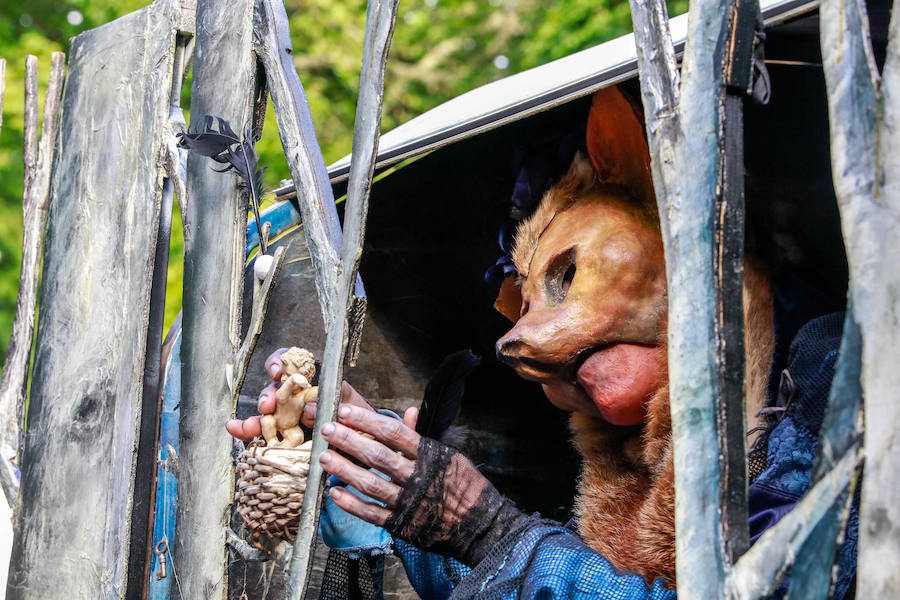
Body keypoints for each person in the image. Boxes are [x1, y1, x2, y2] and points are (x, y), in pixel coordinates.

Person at [227, 87, 858, 599]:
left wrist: (489, 531)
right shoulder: (632, 465)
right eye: (520, 309)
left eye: (564, 278)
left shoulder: (837, 374)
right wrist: (370, 466)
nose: (517, 343)